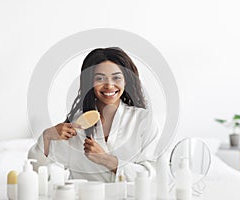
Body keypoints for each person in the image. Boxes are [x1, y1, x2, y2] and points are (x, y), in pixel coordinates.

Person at [28, 47, 160, 182]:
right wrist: (47, 136)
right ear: (90, 82)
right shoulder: (76, 124)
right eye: (100, 78)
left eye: (116, 78)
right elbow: (36, 172)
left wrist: (107, 160)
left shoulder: (143, 120)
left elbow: (152, 175)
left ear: (126, 81)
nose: (109, 85)